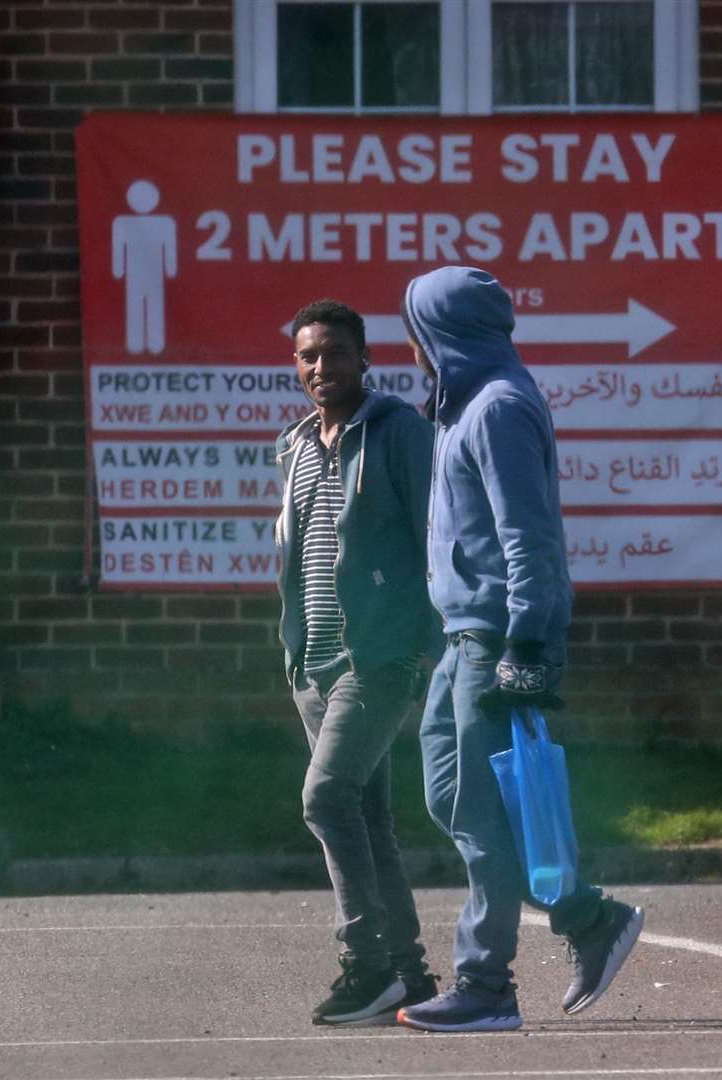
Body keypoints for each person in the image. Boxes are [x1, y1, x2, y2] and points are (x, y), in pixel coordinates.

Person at [393, 266, 643, 1034]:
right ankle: (584, 916)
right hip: (461, 635)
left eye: (414, 329)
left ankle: (485, 984)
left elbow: (528, 538)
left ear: (441, 333)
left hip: (499, 636)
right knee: (451, 795)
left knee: (479, 808)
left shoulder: (499, 407)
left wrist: (527, 643)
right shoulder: (460, 408)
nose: (409, 347)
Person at [274, 299, 442, 1026]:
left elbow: (437, 534)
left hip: (378, 655)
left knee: (326, 799)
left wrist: (429, 639)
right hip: (312, 664)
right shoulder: (299, 444)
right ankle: (409, 974)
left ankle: (366, 962)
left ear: (363, 358)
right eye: (309, 356)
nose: (321, 368)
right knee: (368, 817)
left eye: (335, 353)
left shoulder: (399, 432)